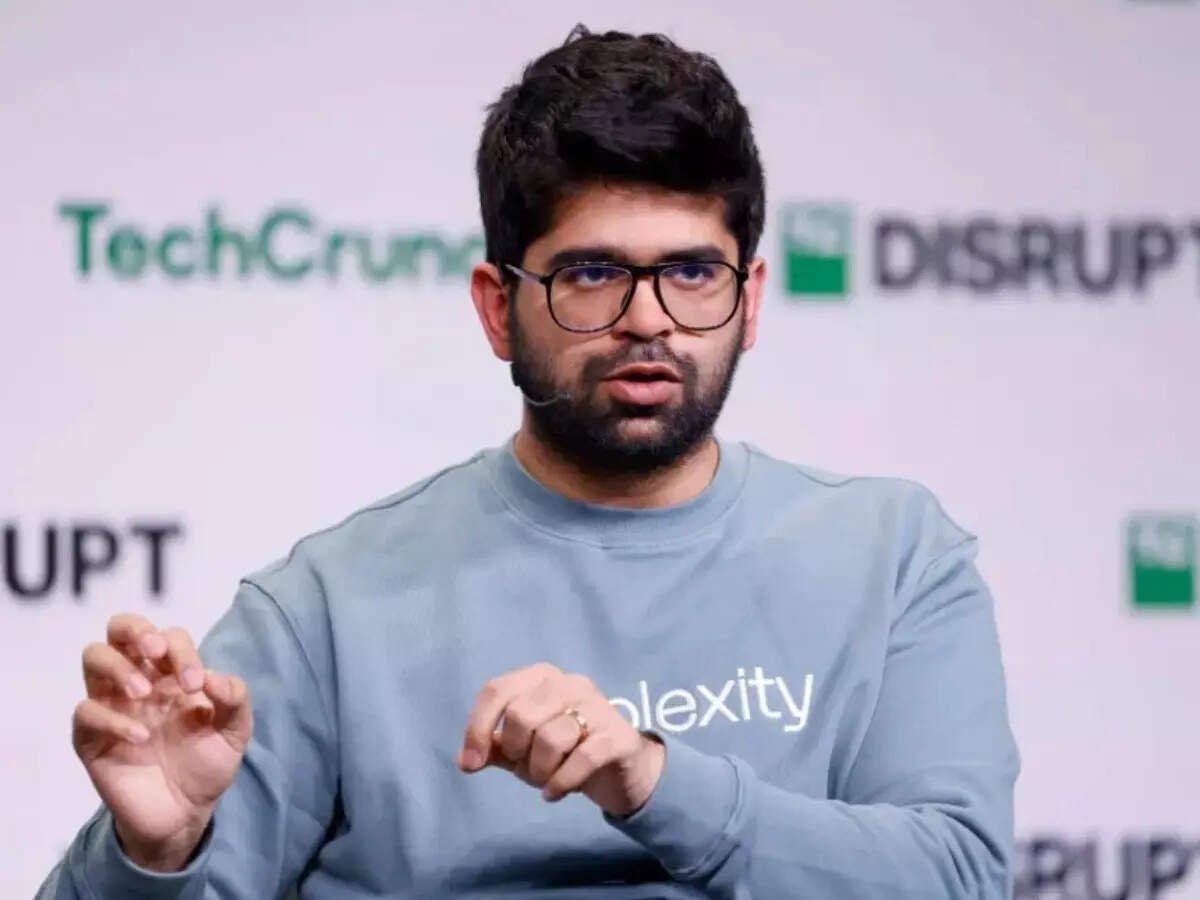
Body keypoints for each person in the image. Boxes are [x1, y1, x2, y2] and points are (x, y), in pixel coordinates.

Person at [37, 25, 1019, 899]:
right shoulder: (328, 608)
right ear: (498, 308)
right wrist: (153, 855)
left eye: (692, 272)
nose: (648, 319)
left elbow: (959, 879)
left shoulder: (894, 556)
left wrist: (653, 781)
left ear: (750, 299)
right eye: (591, 273)